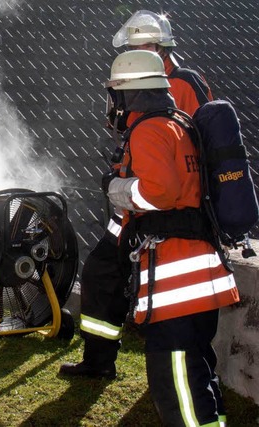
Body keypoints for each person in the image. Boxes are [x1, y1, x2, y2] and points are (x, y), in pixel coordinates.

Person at [83, 49, 237, 425]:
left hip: (177, 288)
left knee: (178, 388)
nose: (113, 103)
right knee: (198, 376)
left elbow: (160, 193)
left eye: (116, 93)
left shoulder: (149, 129)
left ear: (130, 94)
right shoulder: (178, 123)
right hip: (201, 283)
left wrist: (116, 187)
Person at [60, 10, 214, 381]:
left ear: (158, 46)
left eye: (139, 46)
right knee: (99, 274)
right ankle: (100, 359)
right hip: (133, 207)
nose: (134, 53)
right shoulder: (141, 80)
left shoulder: (184, 84)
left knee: (149, 293)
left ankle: (171, 371)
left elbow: (192, 151)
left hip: (161, 211)